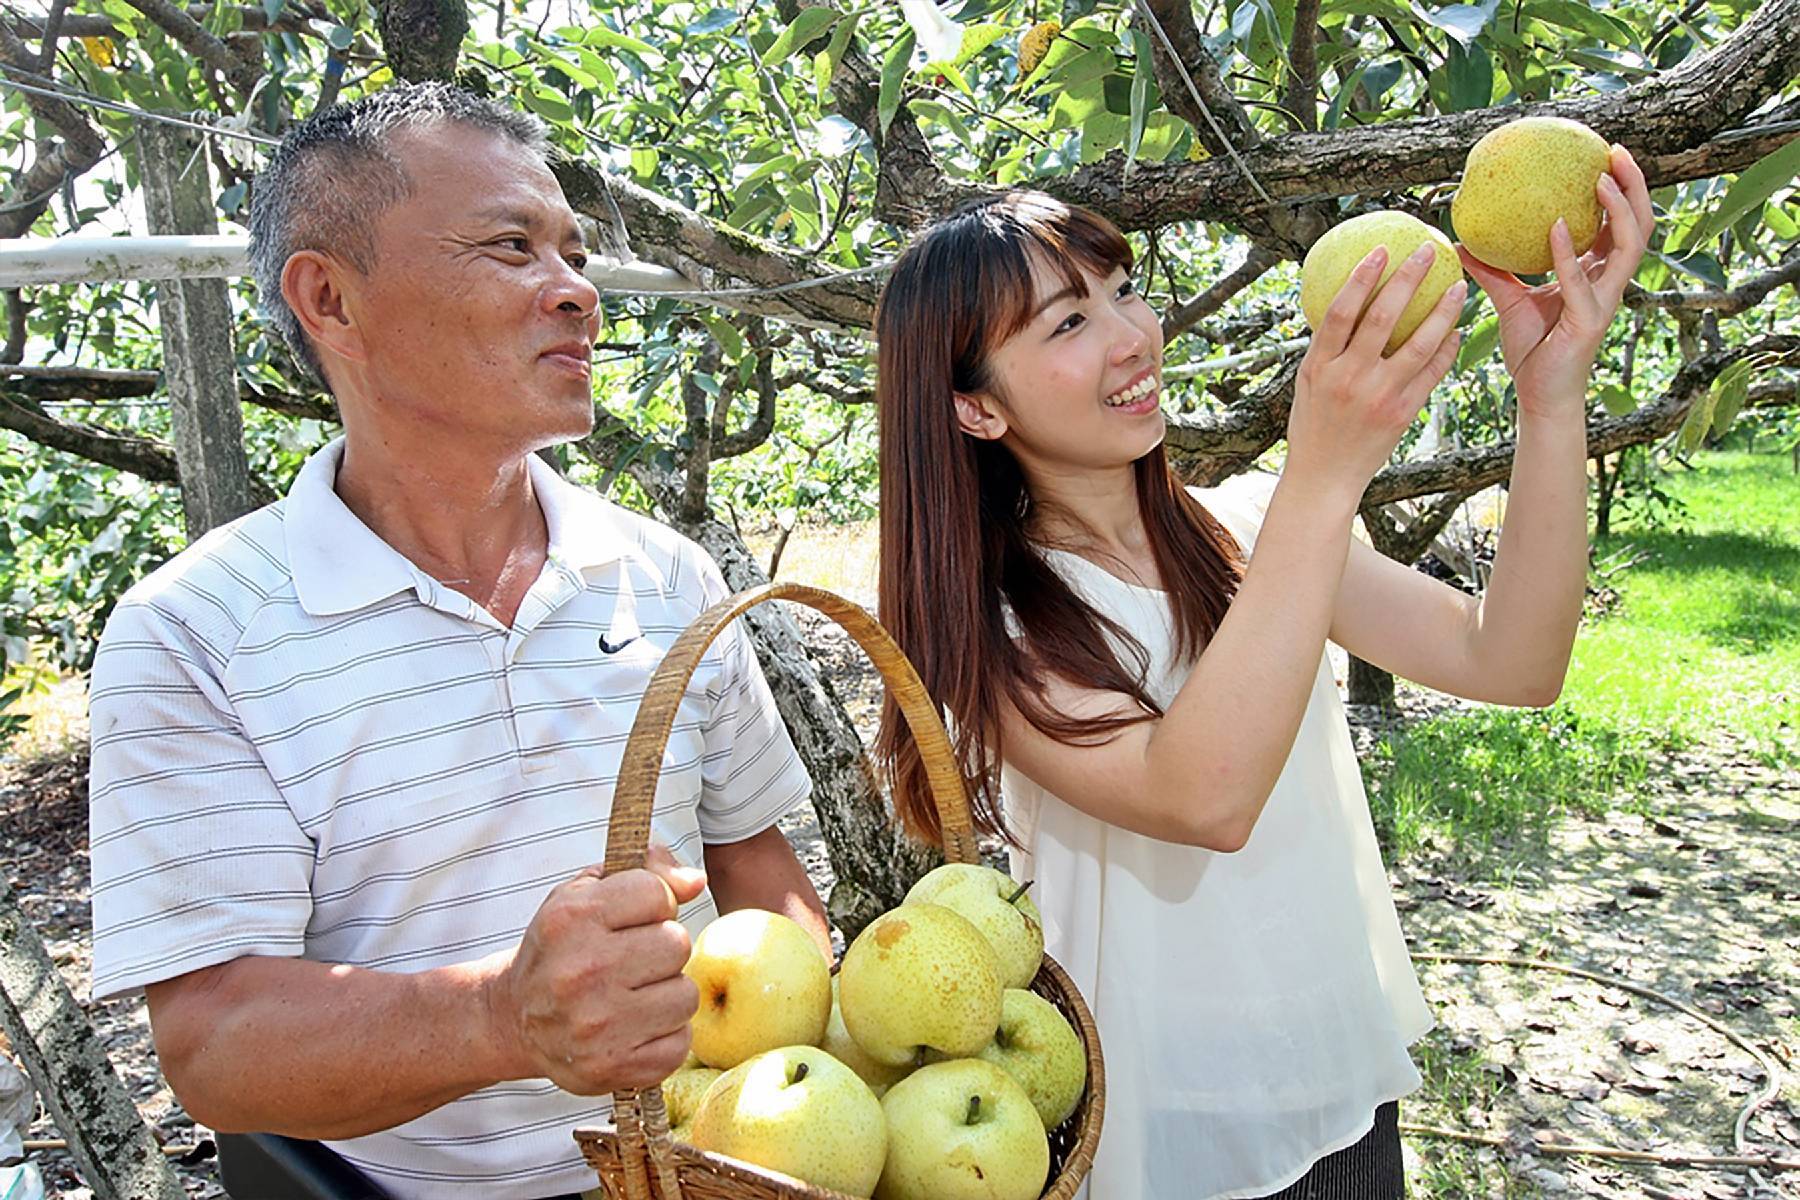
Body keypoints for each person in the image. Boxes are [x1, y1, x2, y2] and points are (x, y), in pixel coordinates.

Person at [86, 83, 827, 1200]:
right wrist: (498, 1018)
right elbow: (214, 1046)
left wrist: (815, 1099)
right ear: (330, 298)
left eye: (573, 251)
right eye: (511, 245)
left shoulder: (668, 575)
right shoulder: (194, 635)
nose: (576, 290)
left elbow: (758, 872)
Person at [873, 167, 1652, 1199]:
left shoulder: (1243, 532)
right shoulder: (993, 627)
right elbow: (1203, 795)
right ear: (974, 407)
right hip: (1167, 1126)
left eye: (1124, 291)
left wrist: (1551, 402)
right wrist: (1324, 475)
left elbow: (1509, 661)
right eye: (1067, 324)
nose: (1131, 336)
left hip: (1335, 1083)